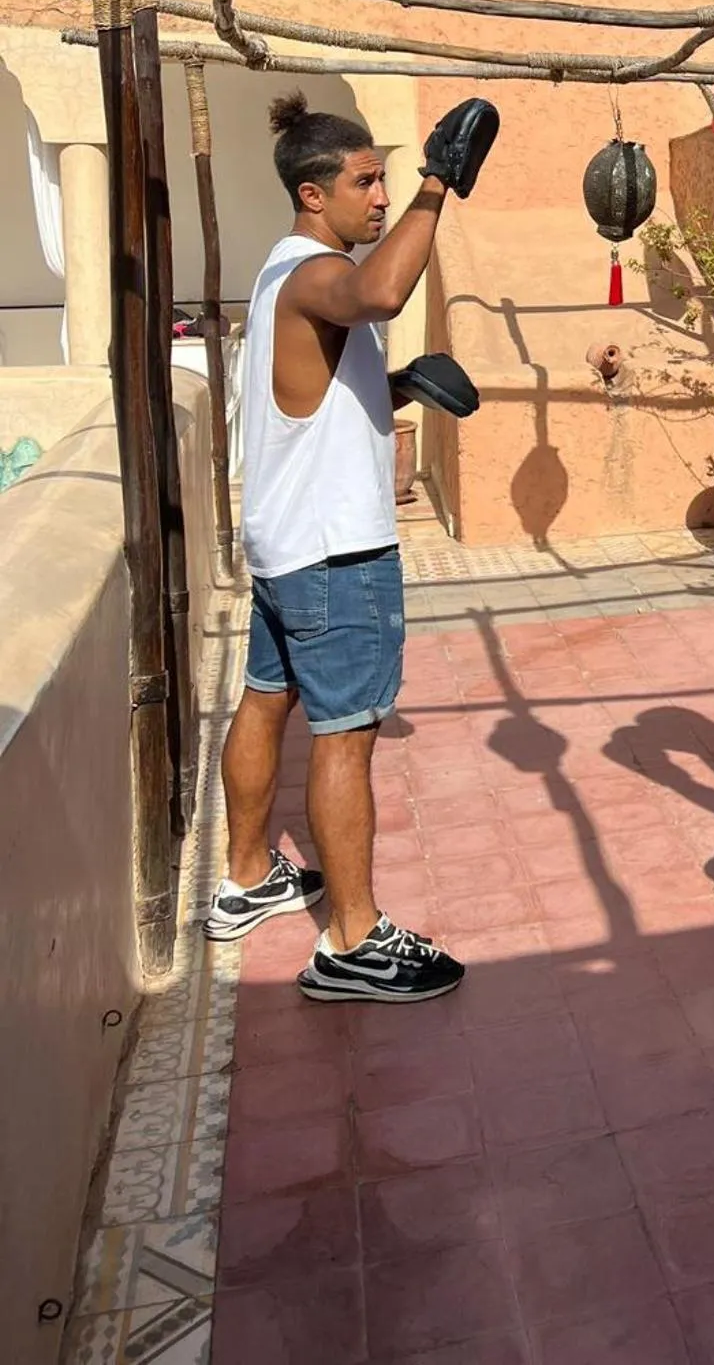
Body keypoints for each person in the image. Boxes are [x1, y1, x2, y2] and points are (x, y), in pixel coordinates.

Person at [203, 91, 497, 1005]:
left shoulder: (280, 274)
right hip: (336, 554)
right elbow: (380, 290)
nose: (381, 195)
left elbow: (308, 401)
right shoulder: (318, 273)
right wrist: (439, 185)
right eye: (366, 182)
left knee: (266, 699)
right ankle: (353, 941)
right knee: (345, 733)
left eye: (388, 179)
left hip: (288, 543)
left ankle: (247, 879)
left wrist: (398, 384)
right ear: (311, 192)